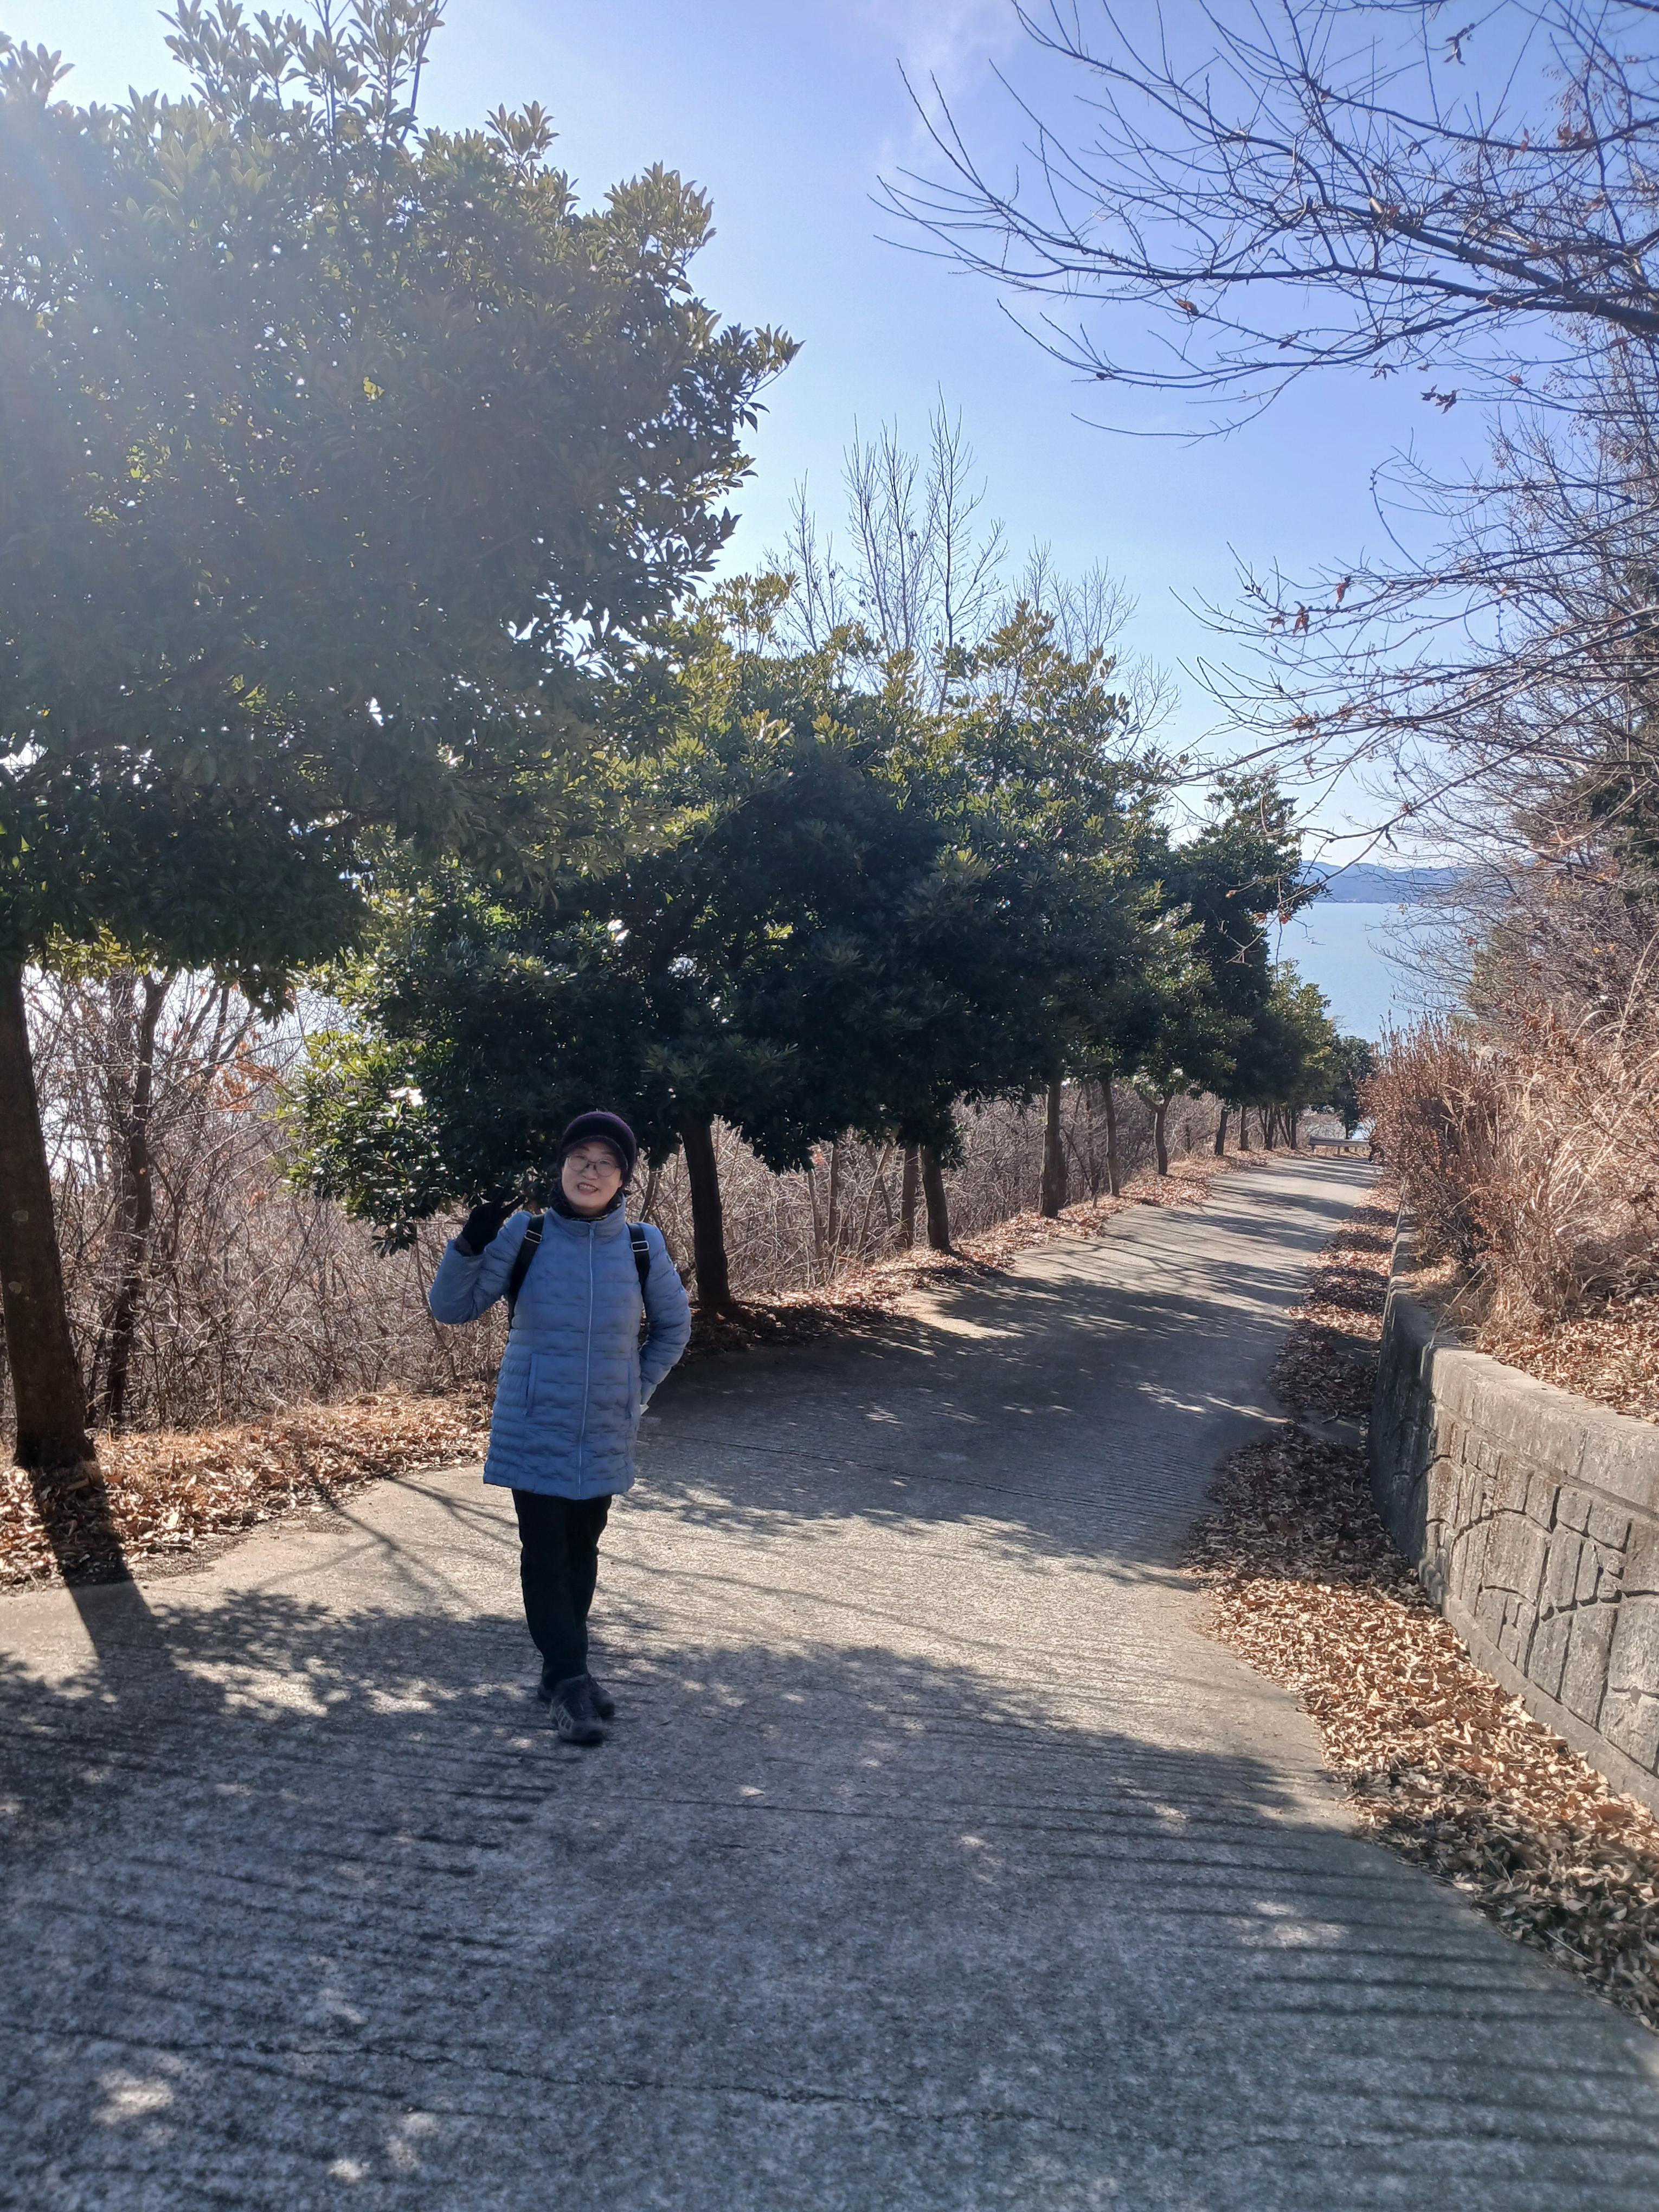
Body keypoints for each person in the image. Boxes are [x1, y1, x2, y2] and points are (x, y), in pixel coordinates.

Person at [427, 1111, 692, 1745]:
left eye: (605, 1163)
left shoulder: (642, 1245)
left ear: (623, 1178)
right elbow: (452, 1308)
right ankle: (572, 1679)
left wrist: (635, 1392)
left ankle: (559, 1675)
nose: (590, 1172)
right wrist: (469, 1245)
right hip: (534, 1421)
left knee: (582, 1550)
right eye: (580, 1159)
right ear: (562, 1167)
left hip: (604, 1427)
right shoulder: (526, 1234)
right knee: (545, 1552)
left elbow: (674, 1329)